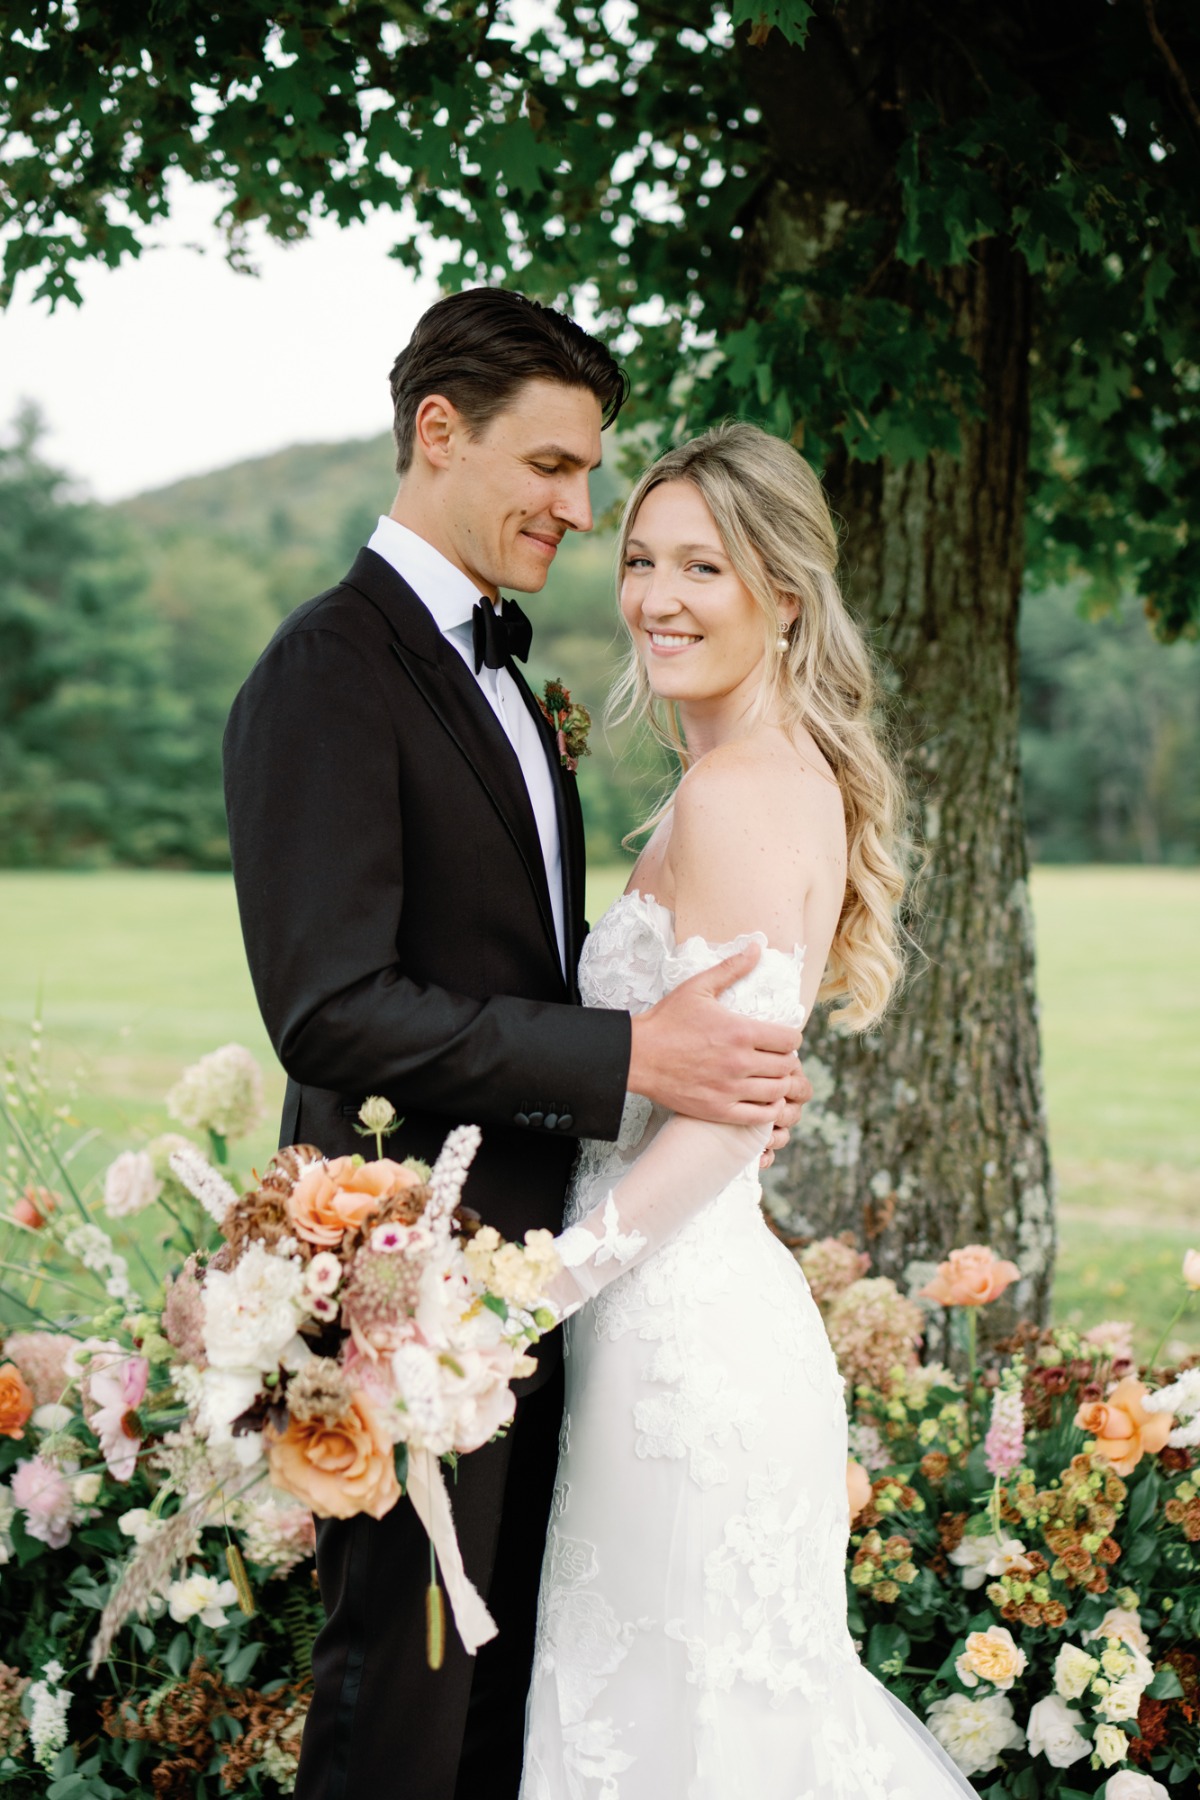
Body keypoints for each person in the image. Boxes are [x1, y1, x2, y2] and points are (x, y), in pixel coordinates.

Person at [222, 290, 810, 1800]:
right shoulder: (328, 671)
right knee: (399, 1716)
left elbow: (540, 974)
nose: (581, 505)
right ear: (439, 433)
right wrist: (634, 1061)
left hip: (552, 1291)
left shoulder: (511, 681)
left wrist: (699, 1084)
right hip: (419, 1289)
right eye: (553, 467)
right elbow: (330, 1006)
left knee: (511, 1724)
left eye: (590, 472)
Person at [520, 424, 978, 1798]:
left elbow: (720, 1125)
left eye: (702, 566)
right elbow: (727, 1078)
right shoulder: (776, 775)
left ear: (783, 596)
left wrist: (519, 1297)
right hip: (690, 1306)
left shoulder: (731, 794)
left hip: (675, 1341)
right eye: (641, 558)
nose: (656, 596)